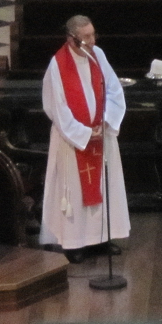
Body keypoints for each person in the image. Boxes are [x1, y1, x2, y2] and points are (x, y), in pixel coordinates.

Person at [40, 15, 130, 263]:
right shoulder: (58, 65)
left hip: (101, 135)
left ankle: (101, 238)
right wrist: (84, 132)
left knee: (103, 185)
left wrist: (107, 121)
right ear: (72, 39)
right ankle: (75, 243)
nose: (92, 41)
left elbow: (113, 89)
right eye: (86, 37)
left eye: (93, 35)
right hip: (73, 140)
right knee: (76, 191)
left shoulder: (98, 55)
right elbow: (56, 107)